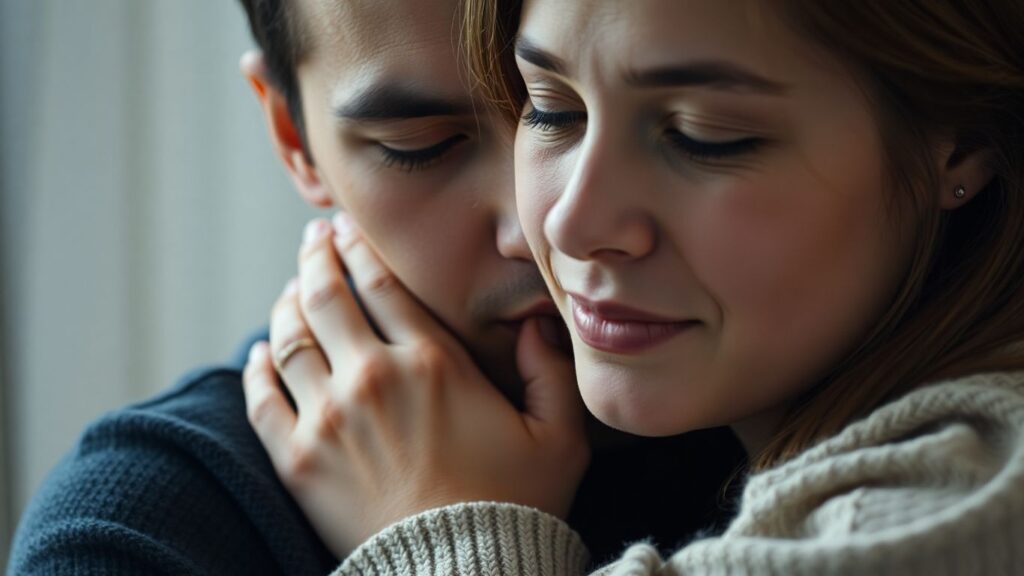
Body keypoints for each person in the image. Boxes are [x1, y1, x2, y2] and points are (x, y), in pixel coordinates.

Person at [241, 0, 1024, 574]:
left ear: (960, 145)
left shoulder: (952, 503)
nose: (563, 224)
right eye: (552, 111)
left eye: (702, 136)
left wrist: (448, 537)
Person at [5, 0, 742, 574]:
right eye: (420, 147)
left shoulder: (833, 444)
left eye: (560, 112)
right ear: (291, 134)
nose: (545, 223)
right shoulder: (135, 531)